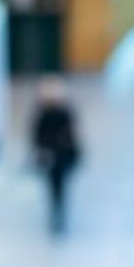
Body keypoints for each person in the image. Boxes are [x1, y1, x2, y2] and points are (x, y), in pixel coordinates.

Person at [31, 75, 82, 234]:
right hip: (51, 158)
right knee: (54, 188)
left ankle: (59, 215)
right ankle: (56, 215)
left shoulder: (64, 113)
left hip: (61, 158)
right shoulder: (45, 114)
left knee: (59, 188)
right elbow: (37, 137)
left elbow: (73, 137)